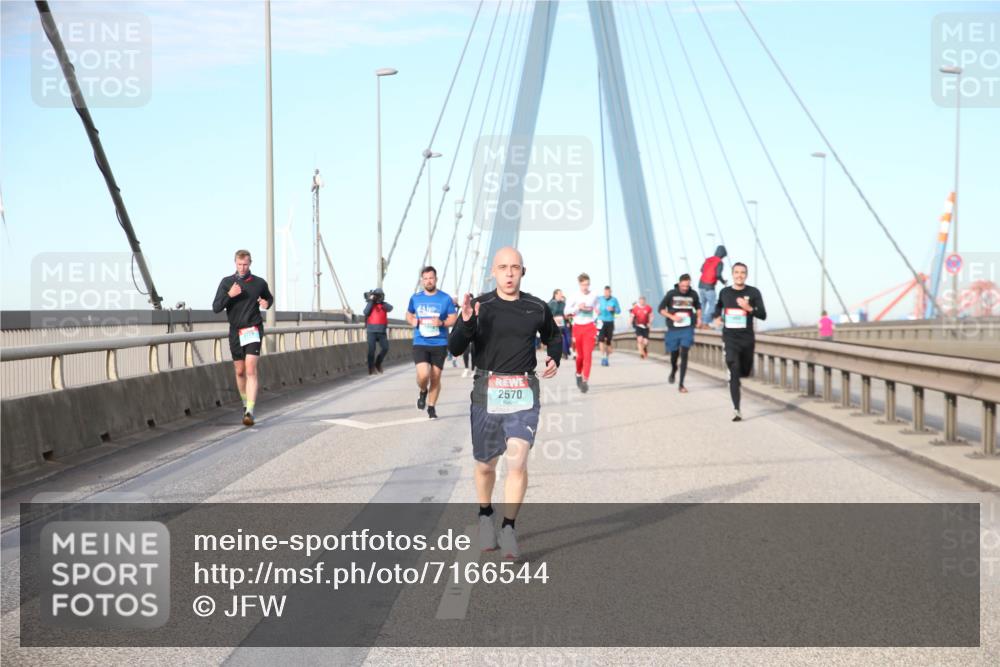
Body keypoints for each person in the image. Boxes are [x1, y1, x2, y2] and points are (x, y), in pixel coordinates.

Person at [448, 246, 561, 560]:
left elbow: (554, 335)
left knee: (518, 460)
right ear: (493, 272)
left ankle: (508, 527)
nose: (509, 273)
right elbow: (455, 348)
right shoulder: (480, 306)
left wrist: (555, 357)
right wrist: (467, 322)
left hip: (523, 389)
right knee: (485, 466)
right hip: (487, 388)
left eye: (515, 267)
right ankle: (486, 515)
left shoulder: (536, 307)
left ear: (523, 271)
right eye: (503, 267)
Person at [212, 249, 273, 427]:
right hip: (235, 332)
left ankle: (250, 411)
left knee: (250, 369)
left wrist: (266, 303)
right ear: (235, 264)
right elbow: (216, 307)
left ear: (250, 263)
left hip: (253, 329)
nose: (243, 268)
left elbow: (269, 298)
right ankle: (245, 404)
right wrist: (229, 295)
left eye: (245, 264)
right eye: (239, 264)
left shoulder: (259, 283)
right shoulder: (227, 283)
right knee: (239, 371)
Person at [712, 262, 766, 421]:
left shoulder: (754, 292)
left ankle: (741, 372)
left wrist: (749, 308)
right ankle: (737, 409)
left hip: (747, 338)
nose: (739, 275)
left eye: (742, 272)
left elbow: (763, 315)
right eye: (736, 272)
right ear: (732, 274)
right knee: (733, 369)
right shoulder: (725, 292)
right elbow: (718, 307)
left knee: (744, 371)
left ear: (746, 275)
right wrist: (716, 316)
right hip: (730, 337)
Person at [406, 266, 458, 419]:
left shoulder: (445, 298)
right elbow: (408, 314)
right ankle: (423, 391)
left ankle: (431, 407)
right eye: (426, 278)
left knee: (435, 377)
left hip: (439, 343)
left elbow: (453, 318)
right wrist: (413, 320)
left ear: (436, 279)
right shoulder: (415, 298)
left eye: (431, 278)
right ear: (422, 281)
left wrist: (441, 323)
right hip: (420, 341)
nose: (428, 281)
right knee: (423, 375)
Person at [658, 274, 701, 392]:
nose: (685, 288)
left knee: (685, 353)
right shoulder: (671, 294)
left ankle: (681, 384)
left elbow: (698, 307)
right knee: (674, 355)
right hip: (673, 329)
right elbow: (660, 309)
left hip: (688, 328)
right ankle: (673, 369)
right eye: (683, 286)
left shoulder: (693, 294)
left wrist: (699, 318)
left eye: (687, 286)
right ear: (679, 283)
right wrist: (672, 316)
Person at [565, 273, 600, 392]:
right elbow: (566, 312)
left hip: (590, 327)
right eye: (584, 285)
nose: (586, 287)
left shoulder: (594, 295)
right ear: (579, 284)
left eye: (587, 284)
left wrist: (596, 312)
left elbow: (597, 306)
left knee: (588, 355)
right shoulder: (574, 296)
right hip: (578, 327)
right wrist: (577, 308)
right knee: (580, 356)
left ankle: (585, 380)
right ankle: (578, 374)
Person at [363, 288, 393, 375]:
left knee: (385, 348)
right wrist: (371, 300)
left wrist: (381, 302)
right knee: (371, 350)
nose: (379, 297)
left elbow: (390, 308)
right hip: (371, 331)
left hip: (382, 331)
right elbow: (365, 312)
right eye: (378, 296)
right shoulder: (370, 304)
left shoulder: (384, 305)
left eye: (381, 296)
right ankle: (371, 368)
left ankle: (378, 363)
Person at [698, 245, 728, 326]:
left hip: (700, 285)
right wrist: (723, 282)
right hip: (709, 286)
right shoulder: (719, 262)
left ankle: (699, 321)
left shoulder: (708, 259)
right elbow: (718, 274)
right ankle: (705, 322)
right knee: (713, 305)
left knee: (703, 304)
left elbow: (701, 269)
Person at [596, 285, 621, 366]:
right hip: (601, 321)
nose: (607, 293)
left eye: (608, 292)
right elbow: (594, 307)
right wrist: (596, 310)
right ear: (604, 292)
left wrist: (613, 309)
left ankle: (606, 357)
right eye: (605, 292)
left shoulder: (614, 300)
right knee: (601, 339)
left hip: (610, 321)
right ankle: (603, 357)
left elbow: (618, 311)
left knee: (608, 341)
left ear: (610, 292)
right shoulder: (599, 299)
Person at [547, 289, 572, 361]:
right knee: (561, 338)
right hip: (555, 325)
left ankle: (567, 351)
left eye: (562, 294)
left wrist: (567, 320)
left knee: (568, 338)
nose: (561, 295)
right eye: (560, 294)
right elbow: (547, 314)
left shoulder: (563, 303)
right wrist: (552, 318)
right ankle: (564, 353)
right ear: (555, 295)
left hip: (563, 323)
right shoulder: (550, 303)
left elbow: (567, 313)